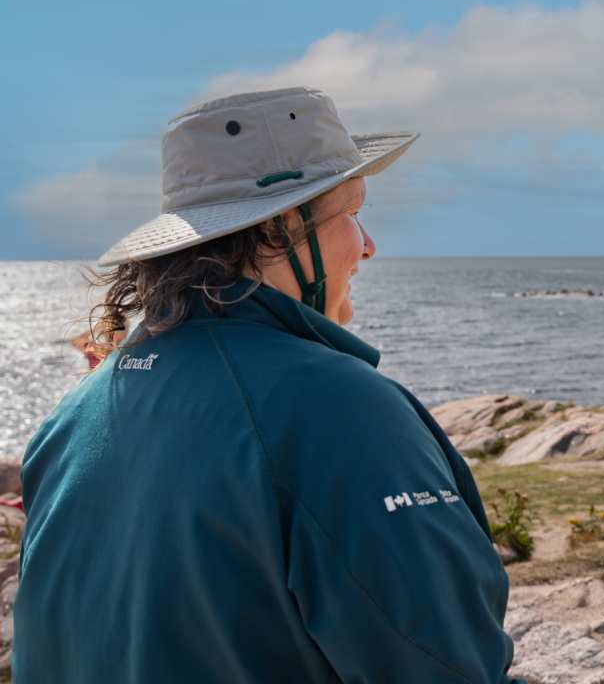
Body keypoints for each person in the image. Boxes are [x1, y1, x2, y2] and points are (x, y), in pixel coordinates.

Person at [17, 87, 524, 683]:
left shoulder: (77, 411)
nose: (367, 245)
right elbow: (449, 663)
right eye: (352, 213)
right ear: (280, 229)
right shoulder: (336, 406)